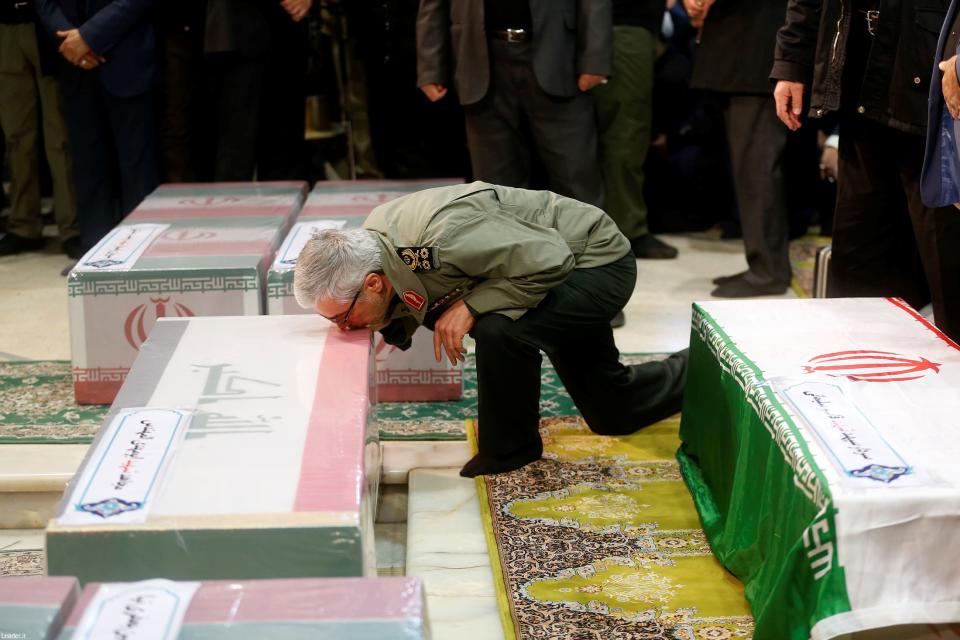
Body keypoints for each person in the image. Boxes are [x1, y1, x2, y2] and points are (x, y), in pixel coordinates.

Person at [293, 182, 688, 477]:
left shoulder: (444, 240)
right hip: (538, 270)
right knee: (614, 412)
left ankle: (509, 450)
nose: (344, 327)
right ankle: (697, 367)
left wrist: (470, 306)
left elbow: (552, 259)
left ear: (374, 283)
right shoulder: (375, 247)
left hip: (593, 266)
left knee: (500, 328)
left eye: (343, 317)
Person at [772, 0, 960, 342]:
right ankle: (857, 378)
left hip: (938, 93)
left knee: (949, 269)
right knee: (859, 278)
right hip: (859, 84)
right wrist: (792, 61)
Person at [416, 0, 610, 208]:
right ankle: (504, 240)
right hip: (479, 57)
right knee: (494, 186)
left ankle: (586, 240)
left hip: (558, 52)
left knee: (575, 176)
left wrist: (595, 59)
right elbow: (433, 5)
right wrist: (430, 68)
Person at [684, 0, 793, 297]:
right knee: (749, 168)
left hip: (757, 54)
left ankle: (767, 270)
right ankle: (763, 264)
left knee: (758, 167)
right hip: (741, 54)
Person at [36, 0, 159, 254]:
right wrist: (68, 39)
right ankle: (94, 255)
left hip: (126, 52)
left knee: (136, 165)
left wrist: (89, 37)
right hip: (72, 59)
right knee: (87, 164)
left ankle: (140, 253)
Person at [594, 0, 679, 260]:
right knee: (626, 129)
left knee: (625, 128)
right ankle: (626, 229)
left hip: (624, 26)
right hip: (622, 25)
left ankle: (620, 226)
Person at [0, 0, 79, 257]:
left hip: (47, 23)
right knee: (16, 132)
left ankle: (71, 225)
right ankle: (23, 224)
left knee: (60, 134)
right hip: (6, 25)